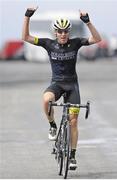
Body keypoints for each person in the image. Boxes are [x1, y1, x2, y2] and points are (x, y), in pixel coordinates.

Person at [22, 6, 101, 169]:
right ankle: (52, 125)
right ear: (55, 32)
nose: (63, 34)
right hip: (57, 84)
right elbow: (26, 37)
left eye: (66, 31)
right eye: (60, 31)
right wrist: (27, 16)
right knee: (46, 100)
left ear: (68, 33)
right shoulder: (48, 43)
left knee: (73, 122)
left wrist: (88, 22)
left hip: (72, 86)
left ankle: (72, 156)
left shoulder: (76, 43)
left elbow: (97, 39)